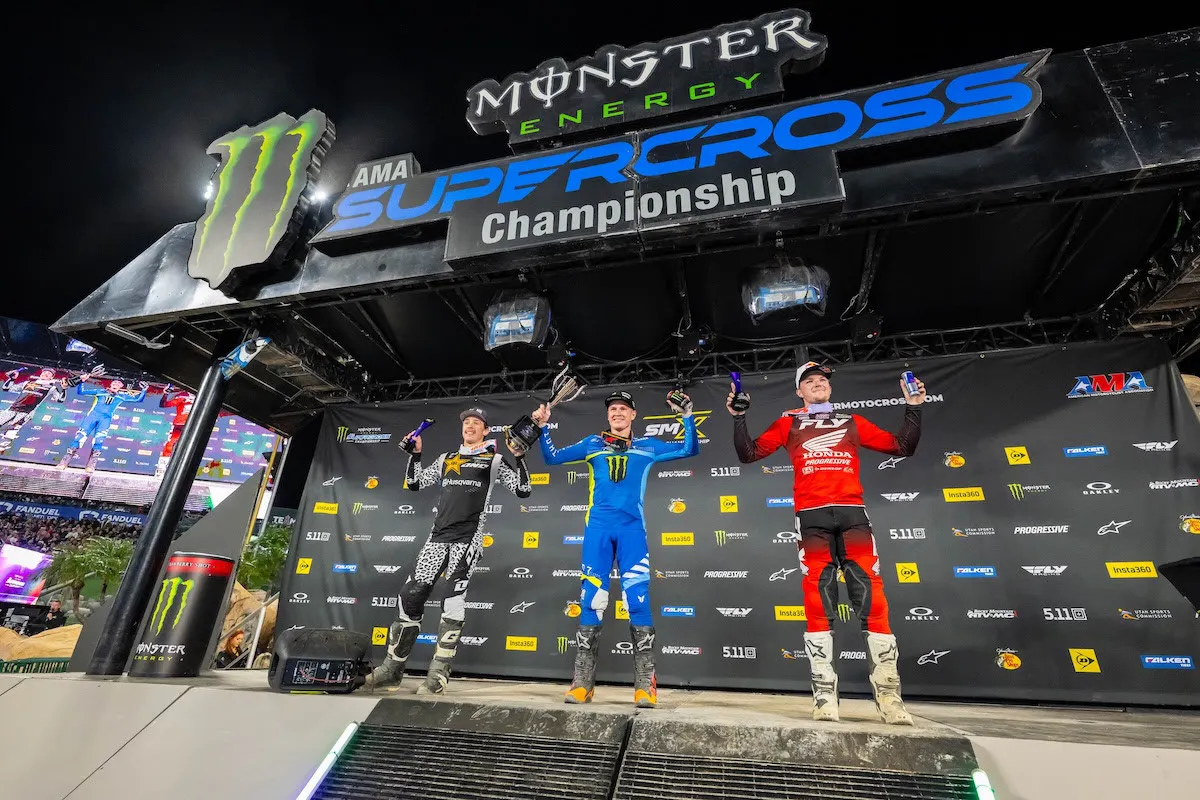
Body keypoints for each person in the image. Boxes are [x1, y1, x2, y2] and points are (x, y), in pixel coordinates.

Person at [727, 361, 925, 725]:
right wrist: (739, 418)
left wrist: (913, 406)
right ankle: (824, 696)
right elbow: (749, 454)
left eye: (822, 381)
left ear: (829, 389)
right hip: (812, 517)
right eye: (810, 381)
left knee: (873, 597)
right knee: (817, 598)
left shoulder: (851, 421)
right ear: (799, 391)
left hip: (853, 515)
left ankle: (889, 696)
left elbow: (902, 447)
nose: (818, 384)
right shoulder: (789, 422)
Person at [531, 388, 699, 708]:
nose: (617, 413)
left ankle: (645, 686)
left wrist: (687, 417)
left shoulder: (647, 446)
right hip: (598, 532)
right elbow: (552, 457)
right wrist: (541, 428)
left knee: (637, 602)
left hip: (632, 532)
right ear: (608, 415)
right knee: (592, 601)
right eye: (613, 409)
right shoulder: (592, 444)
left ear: (633, 415)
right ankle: (582, 683)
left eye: (624, 408)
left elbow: (689, 450)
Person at [368, 407, 533, 694]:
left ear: (485, 431)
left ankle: (439, 673)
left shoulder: (493, 460)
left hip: (467, 538)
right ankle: (392, 669)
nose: (470, 426)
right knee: (411, 596)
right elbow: (415, 483)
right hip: (437, 538)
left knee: (452, 599)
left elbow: (522, 490)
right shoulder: (447, 458)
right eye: (466, 422)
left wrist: (519, 458)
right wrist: (415, 454)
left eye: (476, 423)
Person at [0, 365, 104, 456]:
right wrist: (12, 379)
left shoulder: (51, 386)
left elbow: (60, 399)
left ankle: (1, 449)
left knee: (11, 432)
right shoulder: (28, 382)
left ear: (52, 377)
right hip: (11, 409)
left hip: (26, 413)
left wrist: (63, 388)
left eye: (49, 373)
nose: (46, 374)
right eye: (44, 372)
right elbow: (7, 388)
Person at [56, 376, 149, 472]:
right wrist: (82, 382)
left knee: (99, 441)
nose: (116, 384)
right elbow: (81, 392)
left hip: (105, 420)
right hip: (92, 417)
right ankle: (64, 462)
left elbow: (138, 399)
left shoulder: (122, 396)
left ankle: (91, 466)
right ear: (111, 384)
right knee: (79, 438)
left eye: (118, 384)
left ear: (121, 386)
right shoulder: (100, 391)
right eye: (114, 383)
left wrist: (144, 390)